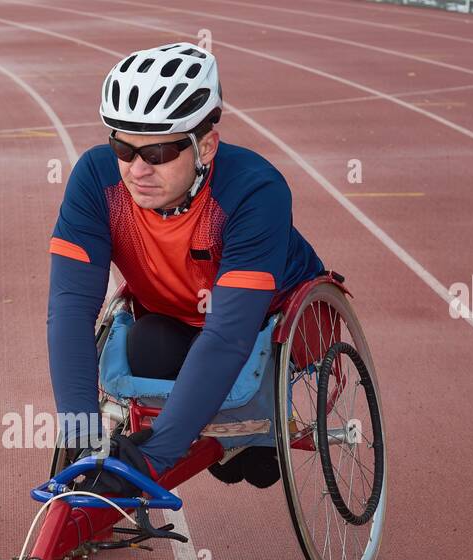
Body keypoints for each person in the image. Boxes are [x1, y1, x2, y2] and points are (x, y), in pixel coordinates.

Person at [47, 42, 324, 495]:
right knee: (145, 344)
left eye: (157, 154)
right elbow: (70, 310)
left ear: (207, 146)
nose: (136, 170)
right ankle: (209, 431)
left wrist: (154, 456)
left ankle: (242, 440)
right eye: (122, 145)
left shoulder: (255, 190)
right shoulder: (97, 180)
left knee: (254, 461)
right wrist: (82, 442)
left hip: (264, 328)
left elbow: (229, 335)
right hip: (174, 321)